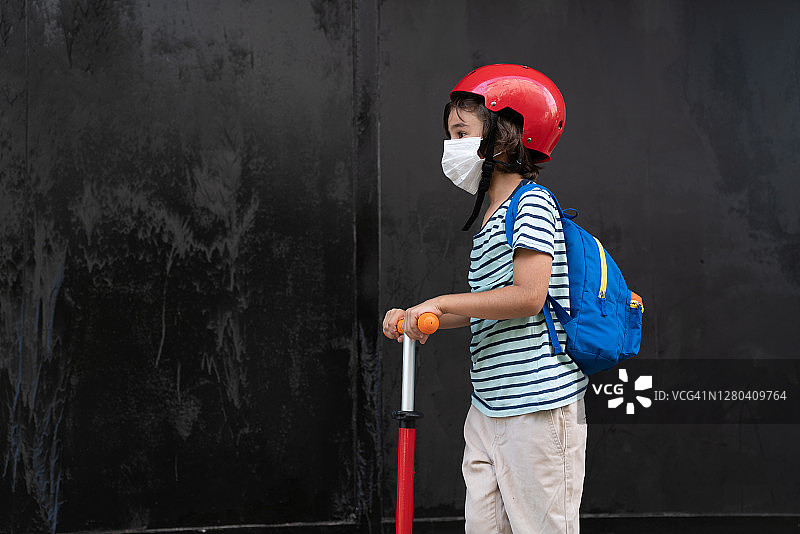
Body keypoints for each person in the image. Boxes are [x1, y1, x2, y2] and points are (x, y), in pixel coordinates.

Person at [382, 64, 589, 534]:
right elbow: (486, 309)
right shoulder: (492, 216)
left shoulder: (531, 202)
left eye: (461, 132)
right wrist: (423, 315)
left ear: (505, 137)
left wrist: (443, 301)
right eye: (450, 135)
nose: (452, 146)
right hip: (489, 404)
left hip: (536, 405)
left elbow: (528, 297)